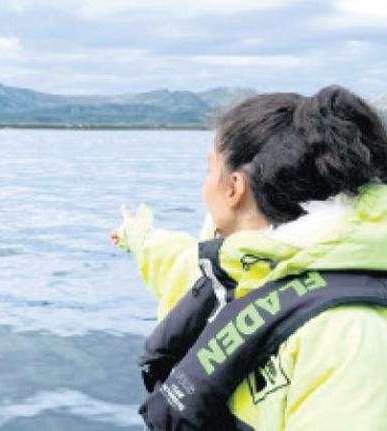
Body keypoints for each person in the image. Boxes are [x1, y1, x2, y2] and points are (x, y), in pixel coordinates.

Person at [112, 86, 387, 430]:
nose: (205, 185)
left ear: (234, 188)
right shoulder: (241, 269)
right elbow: (175, 262)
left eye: (209, 170)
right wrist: (137, 236)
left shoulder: (350, 334)